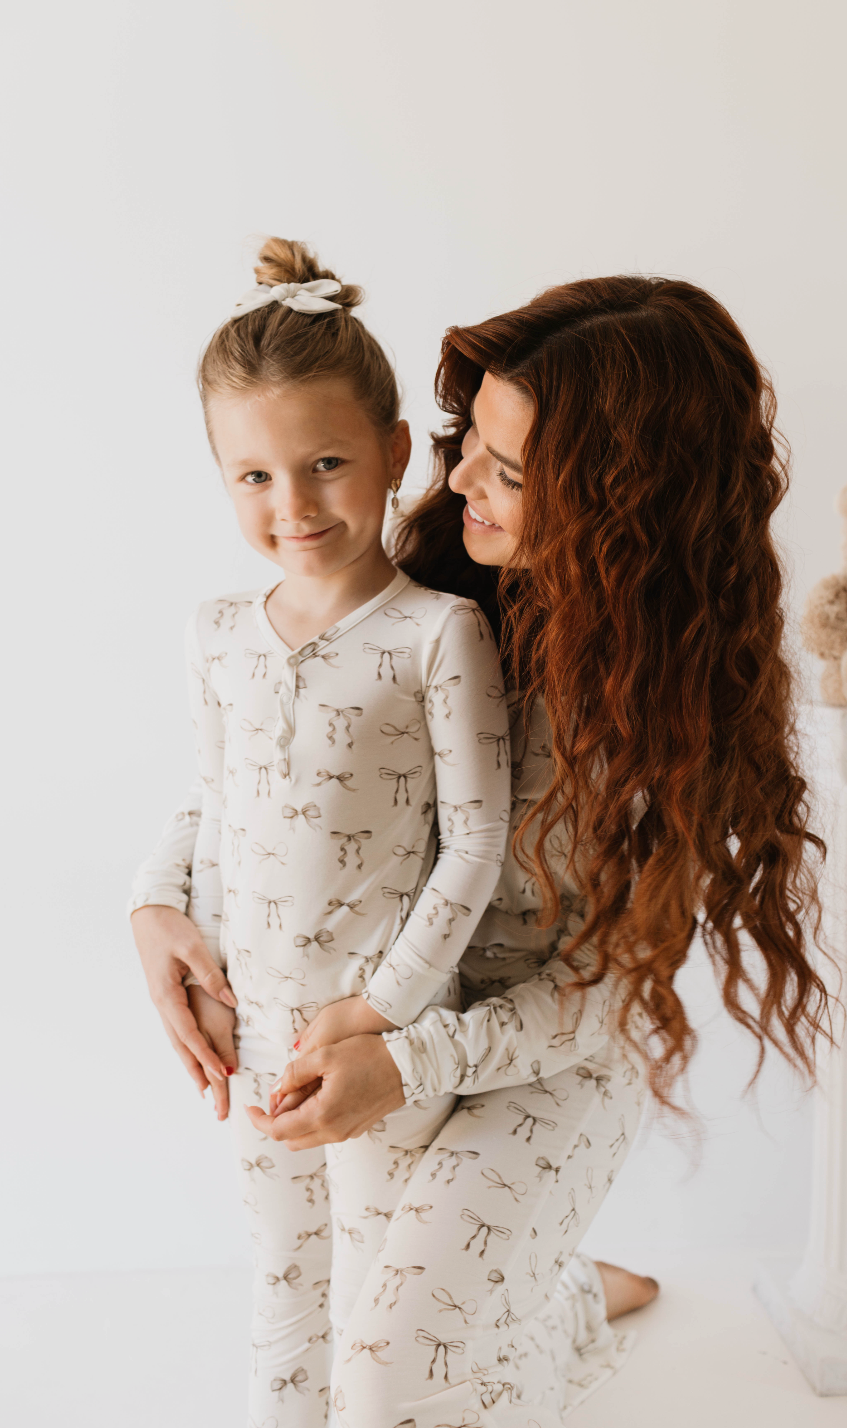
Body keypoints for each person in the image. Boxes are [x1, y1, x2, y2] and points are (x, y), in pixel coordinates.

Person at [132, 269, 830, 1427]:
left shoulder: (672, 715)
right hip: (387, 1031)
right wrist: (157, 904)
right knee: (330, 1337)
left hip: (537, 1063)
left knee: (387, 1383)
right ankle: (540, 1297)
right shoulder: (440, 593)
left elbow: (605, 999)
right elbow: (268, 767)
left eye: (506, 470)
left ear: (619, 500)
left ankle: (545, 1309)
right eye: (467, 442)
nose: (454, 479)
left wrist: (409, 1061)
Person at [130, 236, 513, 1422]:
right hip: (255, 1034)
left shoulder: (436, 633)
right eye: (252, 477)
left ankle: (556, 1318)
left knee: (375, 1319)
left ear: (397, 453)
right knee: (283, 1291)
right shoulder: (215, 632)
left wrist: (382, 1008)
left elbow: (475, 843)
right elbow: (208, 801)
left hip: (377, 1042)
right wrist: (153, 900)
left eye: (327, 463)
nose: (292, 505)